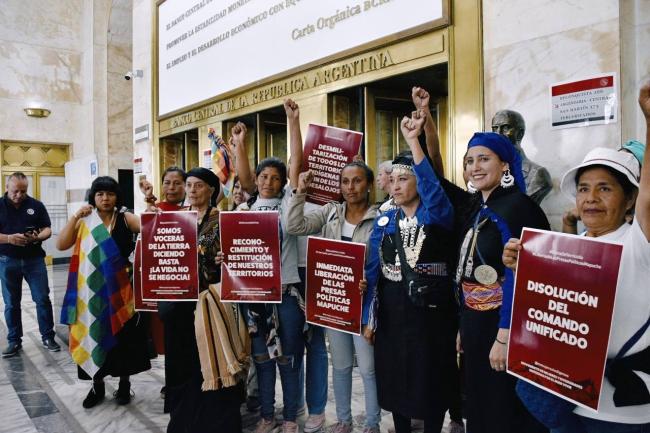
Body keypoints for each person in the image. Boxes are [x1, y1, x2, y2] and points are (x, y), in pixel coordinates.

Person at [503, 82, 650, 433]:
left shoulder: (638, 242)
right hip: (568, 404)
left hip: (622, 415)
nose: (591, 198)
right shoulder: (571, 246)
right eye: (584, 188)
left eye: (605, 188)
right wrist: (523, 269)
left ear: (630, 200)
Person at [364, 110, 458, 433]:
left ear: (420, 181)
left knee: (429, 376)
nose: (396, 186)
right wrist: (369, 317)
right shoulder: (383, 221)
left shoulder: (436, 215)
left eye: (405, 179)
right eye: (393, 180)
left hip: (430, 314)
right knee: (394, 377)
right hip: (392, 312)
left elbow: (435, 192)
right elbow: (373, 273)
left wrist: (413, 143)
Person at [456, 132, 550, 433]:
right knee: (480, 404)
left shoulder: (519, 207)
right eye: (470, 161)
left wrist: (504, 337)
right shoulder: (479, 208)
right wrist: (463, 324)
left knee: (502, 408)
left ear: (505, 165)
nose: (475, 167)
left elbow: (520, 277)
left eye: (484, 159)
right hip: (475, 323)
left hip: (502, 328)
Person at [286, 162, 381, 433]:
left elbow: (386, 262)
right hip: (334, 301)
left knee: (368, 368)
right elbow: (294, 226)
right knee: (339, 366)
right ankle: (344, 420)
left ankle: (372, 423)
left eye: (357, 181)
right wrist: (300, 192)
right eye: (345, 181)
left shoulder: (382, 216)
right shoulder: (330, 212)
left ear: (369, 184)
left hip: (364, 305)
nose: (350, 187)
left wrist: (368, 281)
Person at [234, 99, 306, 433]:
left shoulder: (289, 206)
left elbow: (295, 165)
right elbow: (244, 176)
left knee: (288, 361)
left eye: (275, 178)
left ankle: (290, 417)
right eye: (263, 176)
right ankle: (266, 415)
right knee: (262, 362)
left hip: (287, 294)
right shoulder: (245, 209)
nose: (268, 182)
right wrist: (241, 144)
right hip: (254, 300)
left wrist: (293, 121)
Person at [160, 167, 247, 433]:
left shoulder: (222, 221)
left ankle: (215, 420)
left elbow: (236, 262)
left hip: (209, 303)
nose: (192, 190)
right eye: (189, 185)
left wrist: (224, 260)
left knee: (210, 356)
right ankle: (184, 417)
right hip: (178, 303)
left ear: (211, 190)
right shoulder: (173, 220)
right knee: (181, 360)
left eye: (199, 185)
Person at [57, 176, 151, 408]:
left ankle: (124, 386)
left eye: (110, 194)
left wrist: (149, 201)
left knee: (123, 339)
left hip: (121, 291)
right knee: (94, 334)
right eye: (100, 194)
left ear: (117, 196)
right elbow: (61, 244)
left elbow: (150, 226)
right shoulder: (85, 220)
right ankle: (96, 386)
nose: (105, 198)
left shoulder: (125, 218)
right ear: (93, 197)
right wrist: (75, 217)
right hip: (90, 293)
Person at [0, 172, 60, 357]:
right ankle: (14, 341)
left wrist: (37, 237)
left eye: (23, 191)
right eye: (15, 191)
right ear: (7, 188)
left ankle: (48, 337)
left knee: (42, 298)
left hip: (34, 260)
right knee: (11, 303)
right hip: (7, 260)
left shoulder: (36, 205)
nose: (19, 195)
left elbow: (48, 229)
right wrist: (9, 238)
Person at [491, 109, 552, 204]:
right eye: (495, 129)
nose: (498, 134)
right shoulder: (489, 170)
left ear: (520, 134)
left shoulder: (537, 174)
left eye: (506, 128)